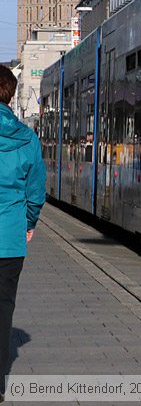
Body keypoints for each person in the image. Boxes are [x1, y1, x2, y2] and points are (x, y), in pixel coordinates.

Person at [0, 64, 46, 400]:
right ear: (11, 95)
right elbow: (36, 192)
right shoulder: (27, 138)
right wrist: (28, 224)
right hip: (10, 239)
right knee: (3, 311)